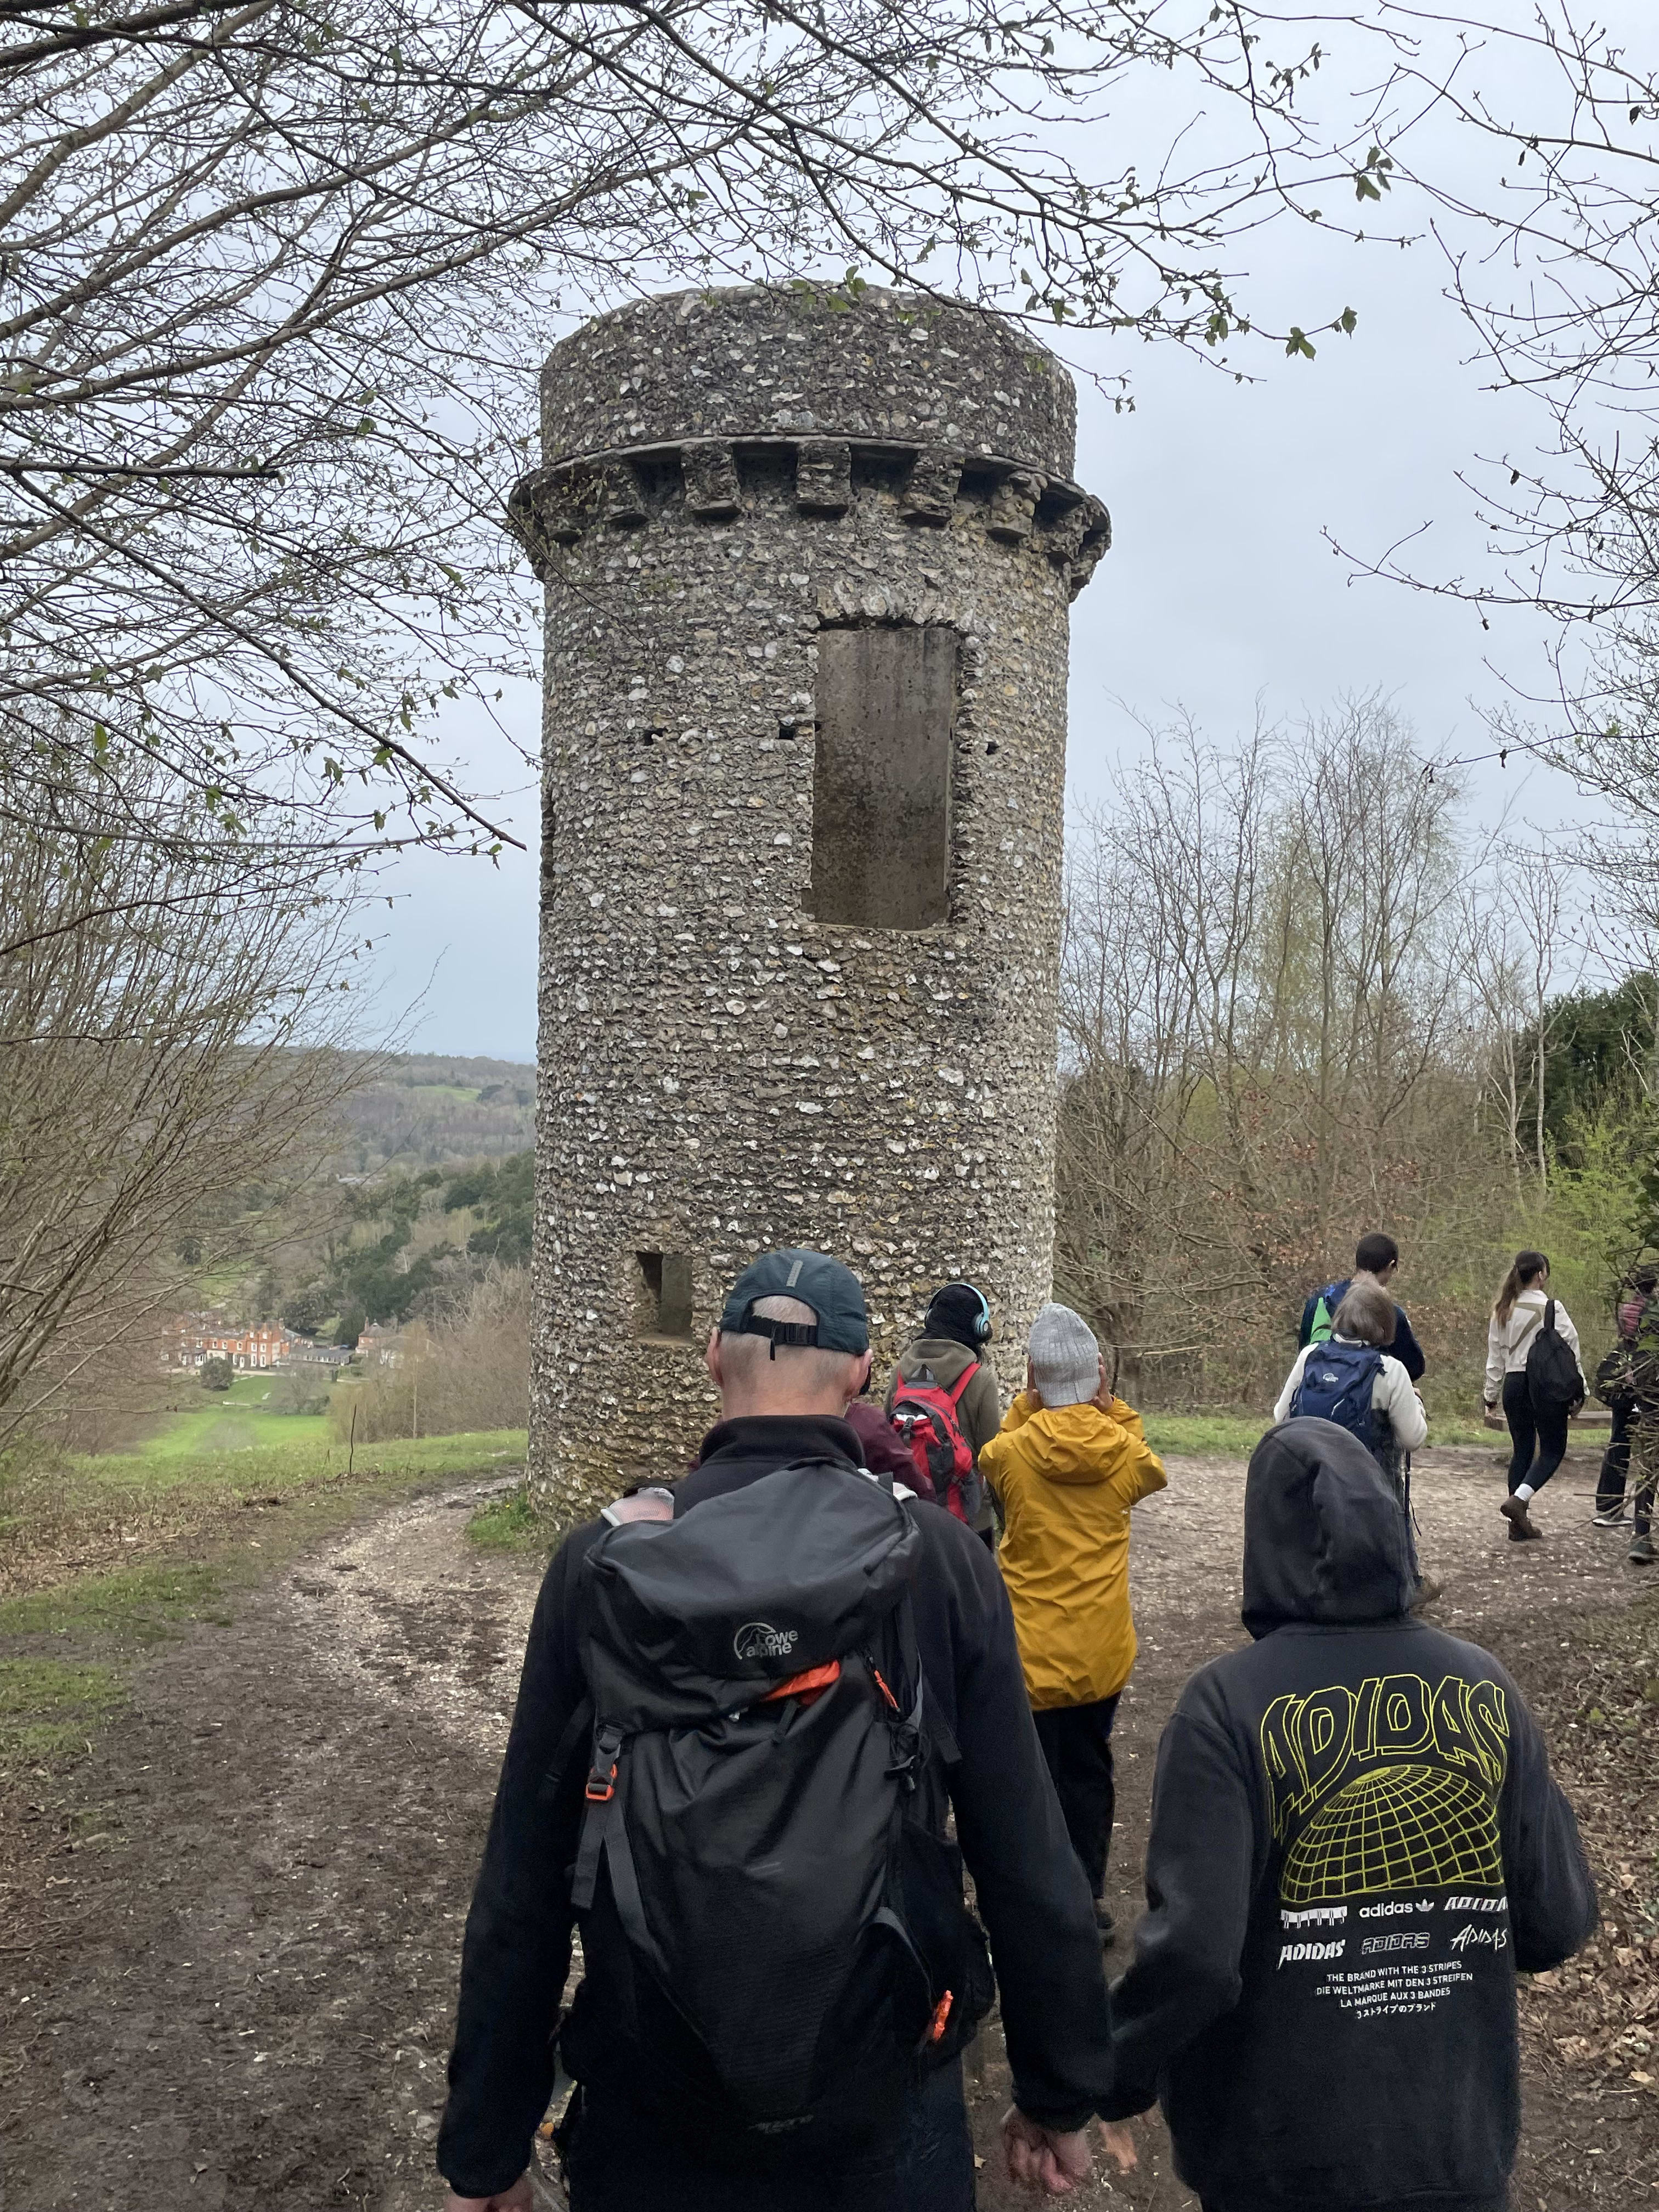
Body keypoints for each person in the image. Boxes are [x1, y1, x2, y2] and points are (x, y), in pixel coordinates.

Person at [437, 1249, 1116, 2212]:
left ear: (713, 1354)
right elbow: (1024, 1852)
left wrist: (486, 2144)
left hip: (652, 2112)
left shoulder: (599, 1565)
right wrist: (1057, 2091)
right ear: (861, 1372)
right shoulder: (937, 1558)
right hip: (881, 2104)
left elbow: (522, 1880)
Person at [1099, 1418, 1599, 2212]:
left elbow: (1195, 1955)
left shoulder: (1226, 1707)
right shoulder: (1487, 1688)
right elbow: (1557, 1921)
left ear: (1262, 1539)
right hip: (1454, 2149)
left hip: (1275, 2160)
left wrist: (1111, 2072)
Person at [979, 1303, 1166, 1946]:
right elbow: (1149, 1460)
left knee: (1034, 1779)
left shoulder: (1010, 1454)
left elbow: (992, 1456)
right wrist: (1105, 1406)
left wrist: (1031, 1403)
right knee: (1089, 1771)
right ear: (1098, 1375)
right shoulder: (1123, 1454)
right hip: (1100, 1651)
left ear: (1032, 1376)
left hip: (1030, 1653)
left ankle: (1039, 1900)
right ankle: (1086, 1896)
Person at [886, 1280, 1003, 1544]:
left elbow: (885, 1438)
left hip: (910, 1517)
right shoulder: (980, 1379)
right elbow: (993, 1458)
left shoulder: (901, 1373)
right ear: (980, 1328)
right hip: (969, 1523)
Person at [1275, 1280, 1429, 1474]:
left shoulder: (1310, 1355)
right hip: (1368, 1489)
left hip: (1310, 1483)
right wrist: (1416, 1403)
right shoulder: (1390, 1369)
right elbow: (1413, 1439)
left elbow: (1281, 1417)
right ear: (1385, 1324)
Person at [1482, 1250, 1584, 1541]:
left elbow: (1495, 1359)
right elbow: (1571, 1352)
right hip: (1546, 1385)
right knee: (1552, 1450)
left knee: (1523, 1451)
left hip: (1514, 1386)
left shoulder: (1503, 1308)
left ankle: (1517, 1527)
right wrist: (1580, 1392)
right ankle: (1519, 1501)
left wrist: (1490, 1396)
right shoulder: (1553, 1308)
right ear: (1541, 1274)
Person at [1299, 1231, 1426, 1381]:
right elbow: (1414, 1368)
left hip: (1318, 1393)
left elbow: (1303, 1352)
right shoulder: (1390, 1313)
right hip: (1364, 1400)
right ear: (1391, 1266)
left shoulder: (1318, 1301)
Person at [1593, 1264, 1658, 1528]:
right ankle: (1637, 1517)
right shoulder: (1652, 1309)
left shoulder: (1626, 1308)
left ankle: (1608, 1505)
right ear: (1653, 1286)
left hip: (1624, 1378)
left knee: (1619, 1438)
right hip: (1645, 1381)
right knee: (1646, 1447)